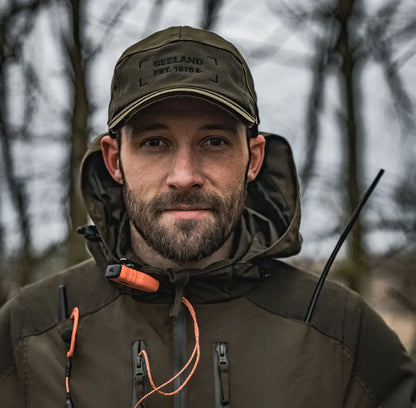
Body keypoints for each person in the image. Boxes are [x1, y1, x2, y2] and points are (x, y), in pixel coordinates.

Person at [0, 25, 414, 408]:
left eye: (214, 141)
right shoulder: (30, 333)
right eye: (155, 142)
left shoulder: (341, 331)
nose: (184, 176)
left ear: (253, 159)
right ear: (114, 160)